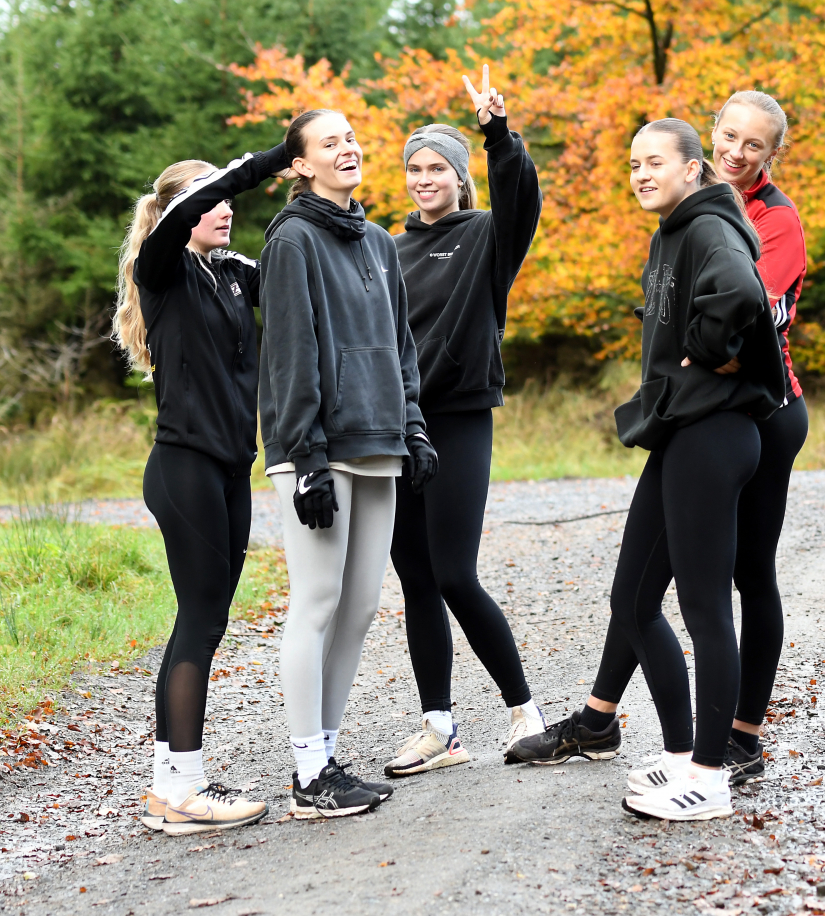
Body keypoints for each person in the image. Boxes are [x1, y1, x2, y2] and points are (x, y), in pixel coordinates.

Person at [511, 95, 808, 796]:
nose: (739, 152)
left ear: (772, 156)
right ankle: (607, 717)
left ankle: (737, 739)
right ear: (710, 143)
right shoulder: (683, 215)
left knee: (740, 578)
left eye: (754, 145)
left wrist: (702, 349)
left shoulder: (768, 219)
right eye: (729, 137)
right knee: (647, 580)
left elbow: (748, 310)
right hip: (701, 410)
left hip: (763, 410)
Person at [258, 109, 438, 818]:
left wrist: (414, 427)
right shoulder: (292, 241)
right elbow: (290, 354)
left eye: (351, 137)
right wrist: (303, 455)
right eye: (330, 142)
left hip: (380, 442)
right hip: (318, 450)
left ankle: (327, 757)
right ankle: (307, 772)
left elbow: (401, 345)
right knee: (318, 601)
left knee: (361, 607)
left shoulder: (378, 242)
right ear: (300, 164)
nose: (349, 147)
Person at [113, 143, 293, 834]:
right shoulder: (160, 270)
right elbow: (183, 212)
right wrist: (271, 157)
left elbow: (294, 264)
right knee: (199, 620)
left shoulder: (230, 275)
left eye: (228, 199)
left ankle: (170, 787)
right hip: (183, 466)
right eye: (208, 199)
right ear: (174, 213)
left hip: (229, 467)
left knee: (209, 623)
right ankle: (184, 788)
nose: (223, 208)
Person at [383, 65, 545, 778]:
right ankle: (439, 729)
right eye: (414, 168)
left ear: (458, 175)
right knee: (415, 577)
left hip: (458, 419)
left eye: (436, 168)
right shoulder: (384, 248)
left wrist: (496, 133)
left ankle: (525, 715)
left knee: (454, 572)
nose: (424, 179)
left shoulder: (484, 236)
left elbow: (521, 200)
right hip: (394, 428)